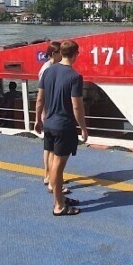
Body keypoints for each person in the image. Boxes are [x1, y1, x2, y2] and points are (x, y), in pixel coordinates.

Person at [34, 40, 89, 216]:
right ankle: (59, 205)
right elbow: (77, 106)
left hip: (49, 124)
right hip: (64, 126)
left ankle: (59, 197)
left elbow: (40, 99)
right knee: (58, 167)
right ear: (75, 55)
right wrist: (83, 127)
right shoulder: (75, 77)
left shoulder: (48, 71)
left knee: (52, 161)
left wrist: (37, 119)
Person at [37, 42, 66, 192]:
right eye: (60, 52)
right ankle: (52, 180)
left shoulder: (49, 67)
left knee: (48, 148)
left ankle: (48, 176)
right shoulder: (48, 69)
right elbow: (43, 95)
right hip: (50, 113)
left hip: (48, 113)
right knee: (53, 150)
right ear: (54, 54)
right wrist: (42, 114)